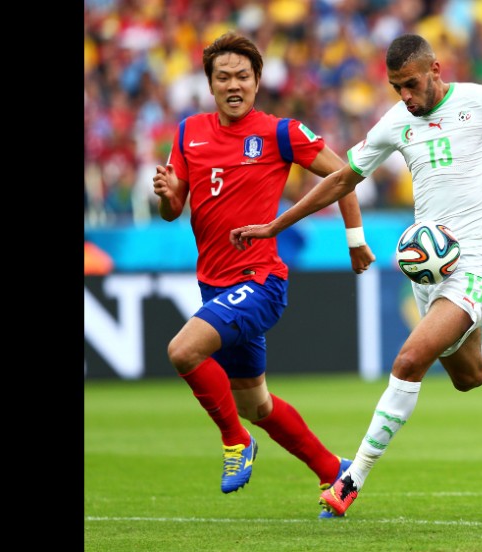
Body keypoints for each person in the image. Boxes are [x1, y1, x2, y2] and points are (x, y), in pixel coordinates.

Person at [230, 33, 482, 517]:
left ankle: (350, 480)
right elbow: (341, 178)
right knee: (469, 375)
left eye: (412, 85)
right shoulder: (397, 122)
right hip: (428, 272)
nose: (406, 97)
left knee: (409, 359)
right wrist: (276, 224)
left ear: (435, 69)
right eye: (397, 87)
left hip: (477, 262)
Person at [151, 32, 376, 511]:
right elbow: (174, 210)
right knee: (258, 406)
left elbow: (345, 176)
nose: (234, 85)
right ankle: (335, 473)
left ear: (257, 82)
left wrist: (355, 243)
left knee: (183, 351)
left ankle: (235, 444)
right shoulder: (188, 131)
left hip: (260, 281)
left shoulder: (280, 133)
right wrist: (168, 195)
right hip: (213, 285)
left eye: (243, 77)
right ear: (210, 84)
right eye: (223, 77)